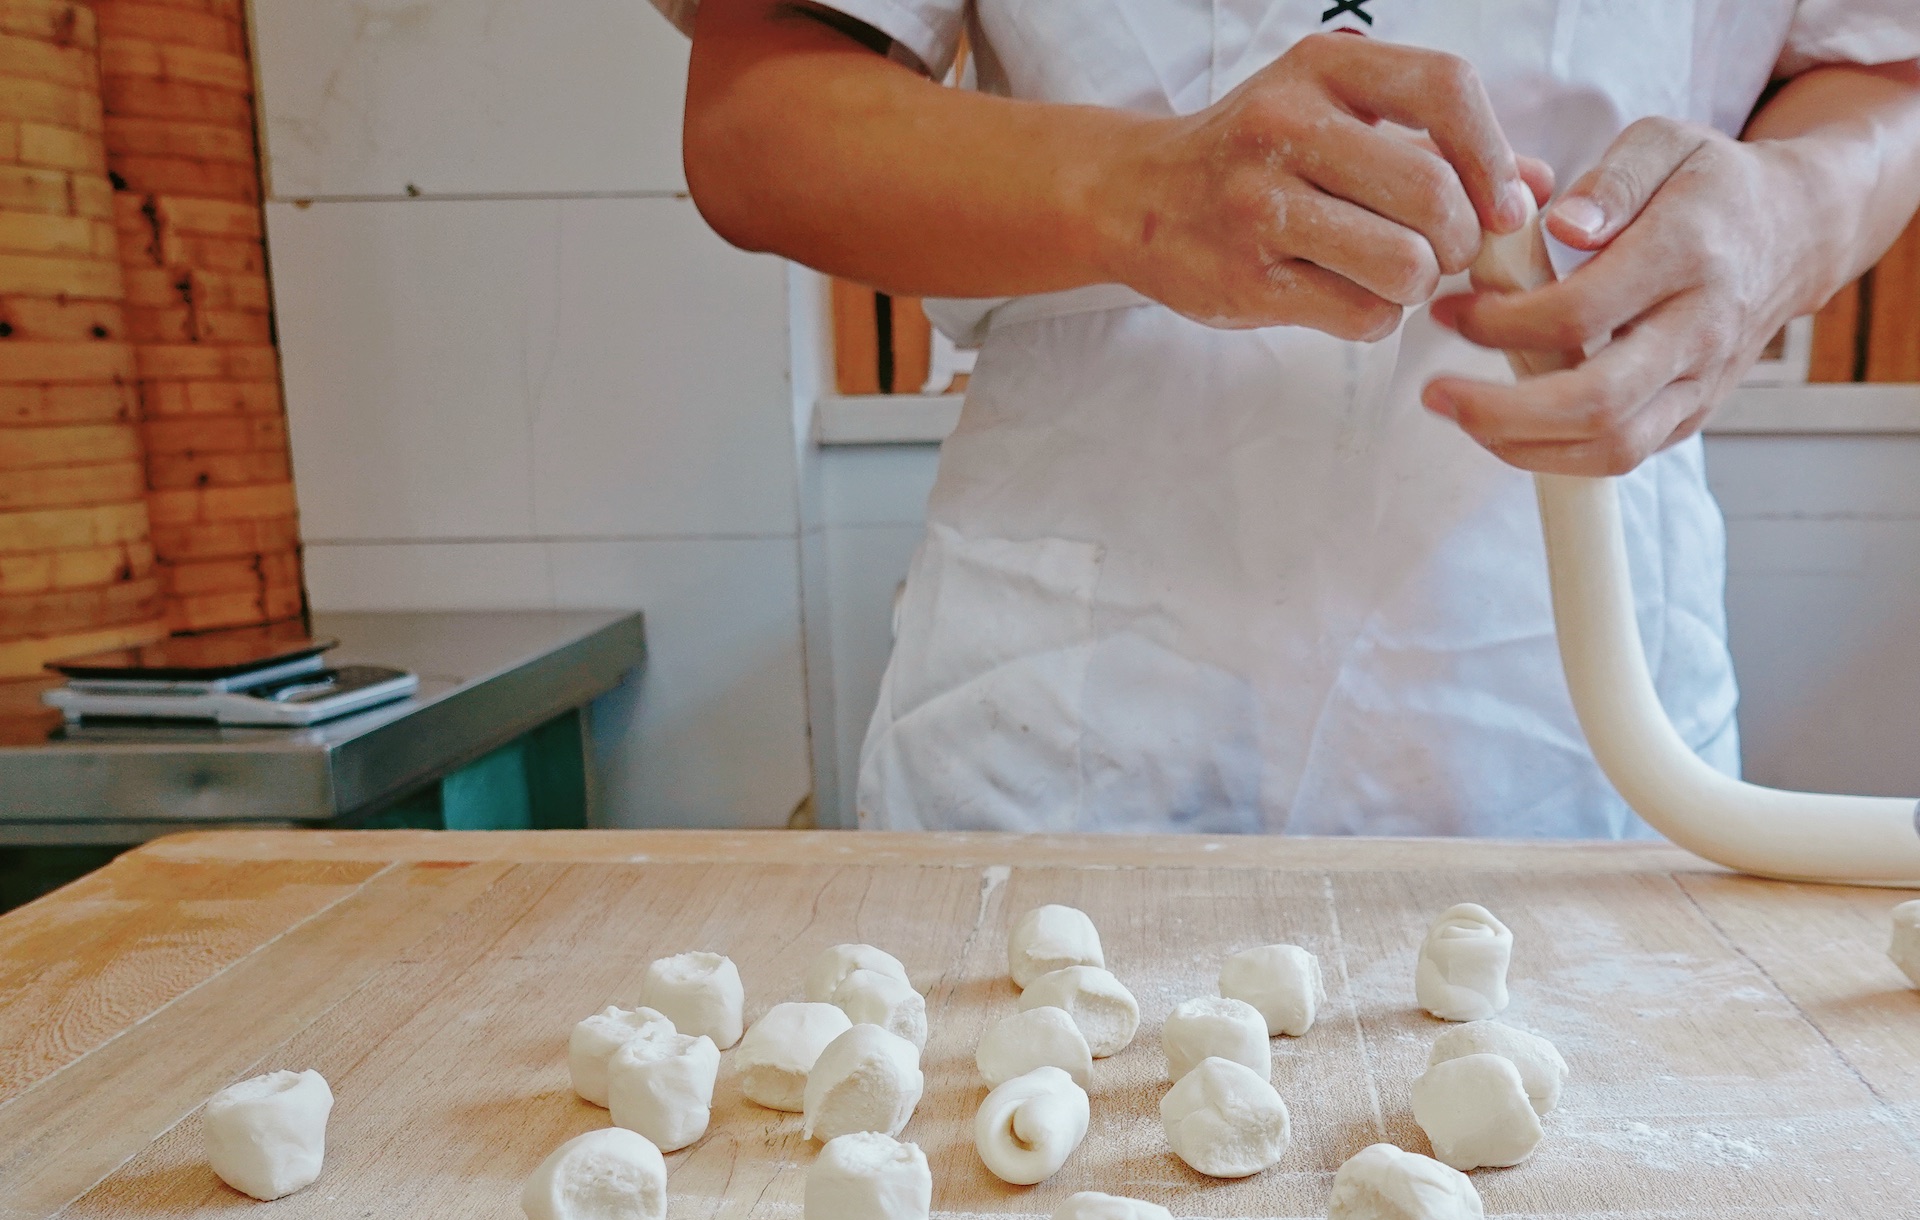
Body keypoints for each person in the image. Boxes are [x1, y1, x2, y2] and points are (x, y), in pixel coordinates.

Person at [668, 0, 1920, 836]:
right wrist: (1132, 189)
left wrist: (1794, 212)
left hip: (1574, 713)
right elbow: (752, 121)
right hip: (1070, 718)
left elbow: (1886, 70)